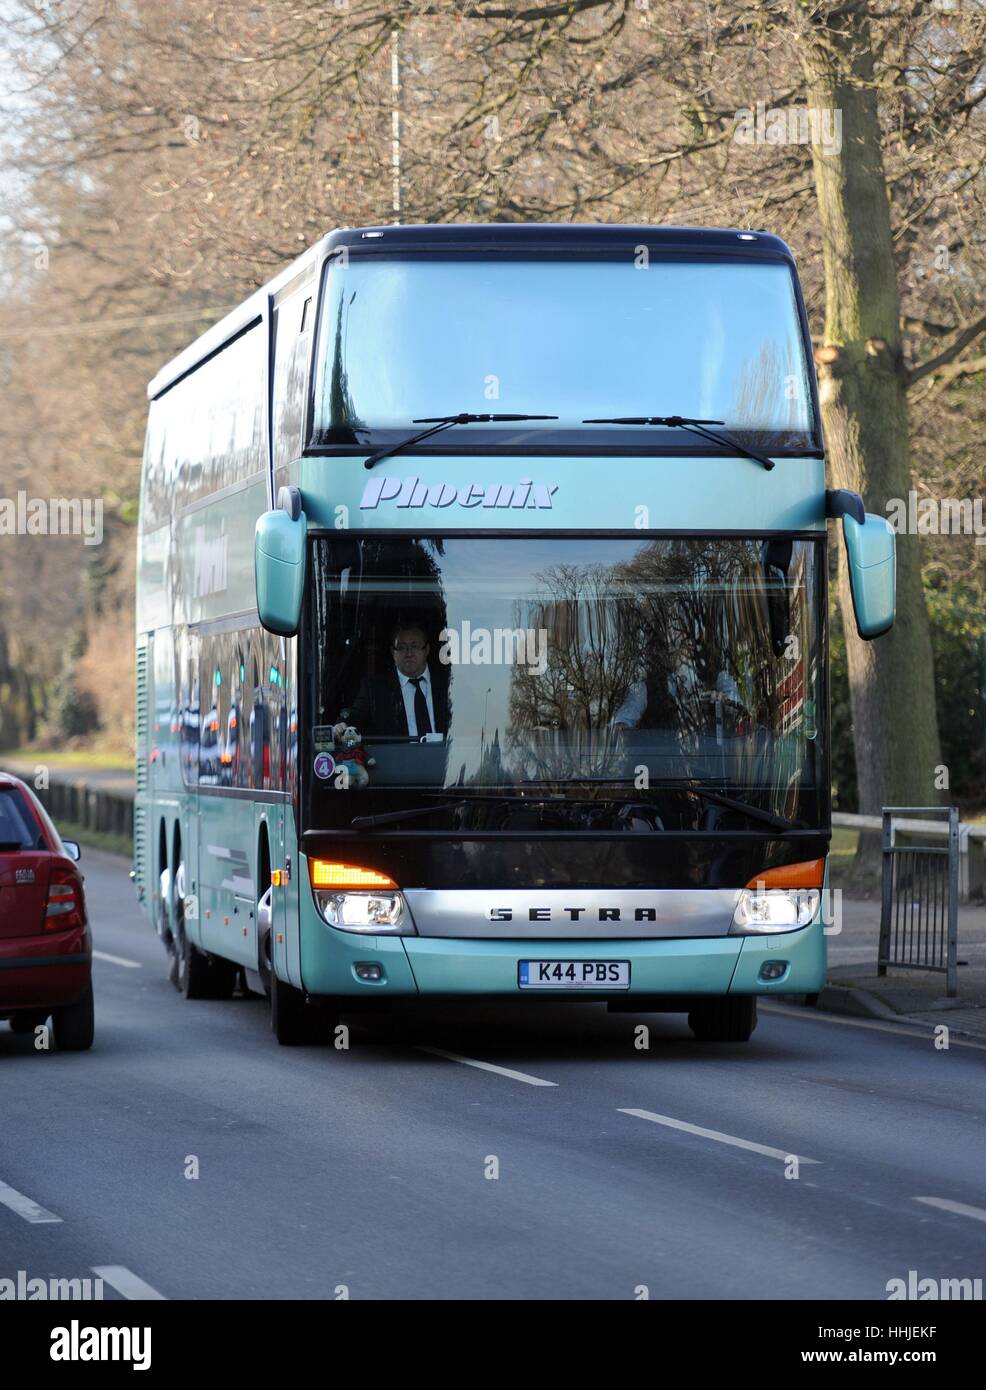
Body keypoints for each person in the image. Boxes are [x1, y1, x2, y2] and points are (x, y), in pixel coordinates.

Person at [335, 621, 448, 739]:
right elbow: (351, 720)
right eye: (401, 647)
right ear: (393, 652)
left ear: (427, 650)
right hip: (397, 757)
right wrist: (341, 726)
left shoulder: (449, 684)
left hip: (447, 757)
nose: (409, 653)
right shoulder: (375, 690)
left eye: (415, 646)